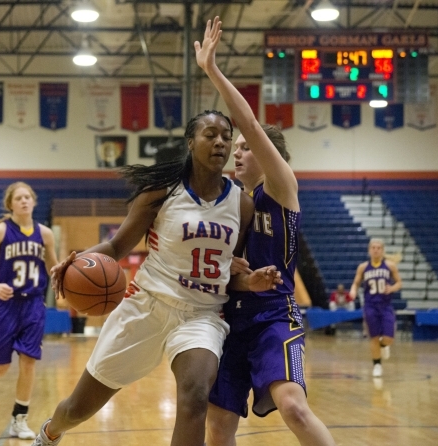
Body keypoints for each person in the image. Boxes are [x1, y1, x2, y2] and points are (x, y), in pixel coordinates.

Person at [30, 108, 282, 446]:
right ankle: (50, 432)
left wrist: (248, 281)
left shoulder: (242, 205)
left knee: (194, 397)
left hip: (201, 316)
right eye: (211, 134)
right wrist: (77, 262)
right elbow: (118, 246)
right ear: (191, 142)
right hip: (147, 306)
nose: (221, 142)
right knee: (77, 408)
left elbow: (225, 272)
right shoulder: (161, 192)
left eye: (225, 135)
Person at [196, 17, 336, 446]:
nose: (235, 153)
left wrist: (213, 71)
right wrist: (239, 275)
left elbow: (252, 126)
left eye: (242, 149)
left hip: (276, 314)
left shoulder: (281, 187)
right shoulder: (231, 203)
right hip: (230, 317)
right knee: (218, 426)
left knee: (292, 405)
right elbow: (227, 270)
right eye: (234, 149)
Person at [0, 181, 58, 440]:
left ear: (34, 201)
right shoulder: (0, 231)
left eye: (28, 197)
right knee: (1, 367)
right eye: (18, 198)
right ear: (11, 204)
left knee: (29, 362)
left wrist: (72, 277)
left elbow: (55, 269)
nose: (24, 201)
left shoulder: (45, 234)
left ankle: (20, 419)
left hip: (33, 305)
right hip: (6, 305)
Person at [349, 238, 402, 377]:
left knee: (389, 338)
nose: (376, 249)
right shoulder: (363, 267)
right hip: (370, 306)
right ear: (369, 250)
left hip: (385, 306)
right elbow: (355, 283)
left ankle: (384, 346)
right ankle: (377, 365)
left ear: (382, 250)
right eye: (373, 247)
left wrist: (391, 288)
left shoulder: (390, 266)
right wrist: (353, 291)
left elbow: (399, 283)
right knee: (374, 337)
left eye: (378, 247)